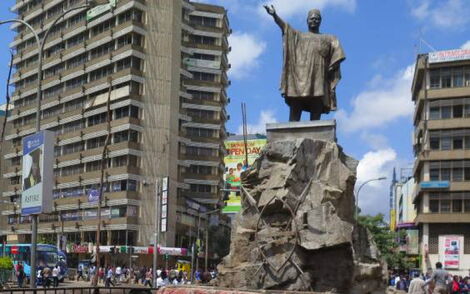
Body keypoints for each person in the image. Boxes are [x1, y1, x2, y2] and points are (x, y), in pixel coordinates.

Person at [263, 5, 345, 121]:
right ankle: (291, 132)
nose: (314, 20)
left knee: (317, 101)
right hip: (300, 78)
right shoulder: (299, 36)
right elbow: (285, 28)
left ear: (320, 21)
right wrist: (275, 16)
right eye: (312, 18)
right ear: (307, 21)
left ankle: (316, 131)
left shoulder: (329, 38)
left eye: (317, 18)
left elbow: (338, 52)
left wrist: (332, 66)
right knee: (296, 103)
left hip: (318, 77)